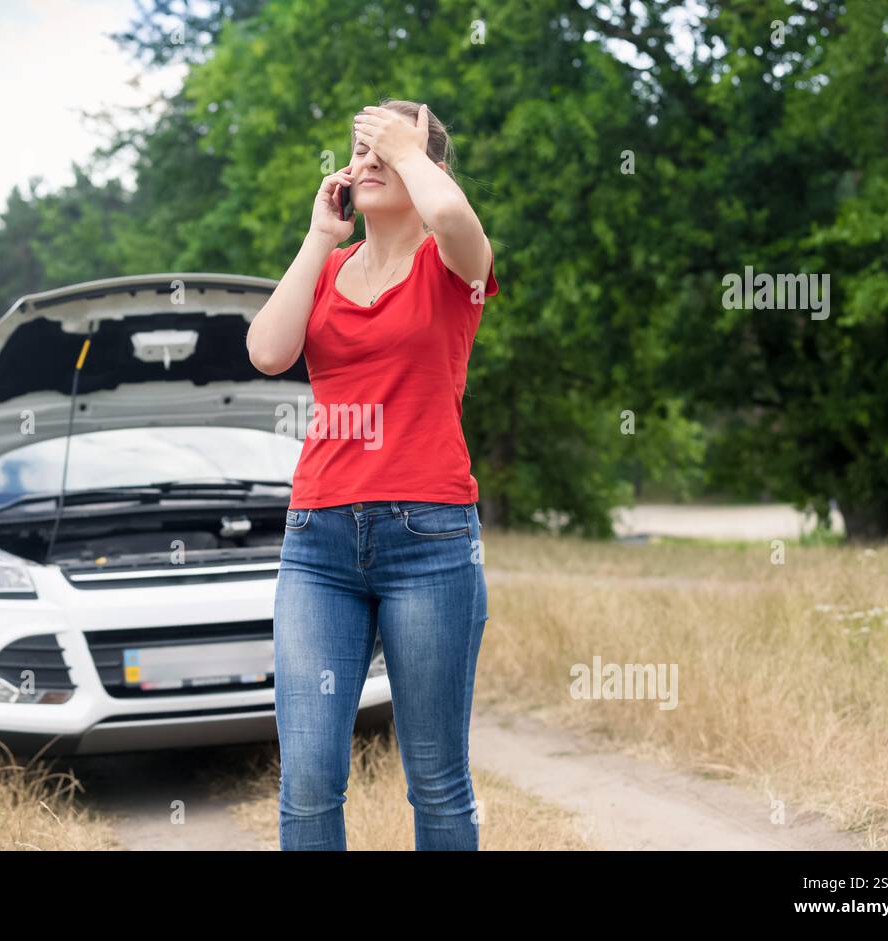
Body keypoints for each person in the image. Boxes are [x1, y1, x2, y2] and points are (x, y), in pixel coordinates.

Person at [246, 98, 499, 850]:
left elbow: (452, 217)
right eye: (364, 150)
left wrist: (405, 147)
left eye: (390, 148)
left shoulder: (453, 264)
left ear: (431, 167)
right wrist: (319, 234)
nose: (372, 161)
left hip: (429, 538)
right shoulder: (328, 270)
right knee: (309, 779)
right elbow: (267, 350)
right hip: (318, 537)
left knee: (435, 778)